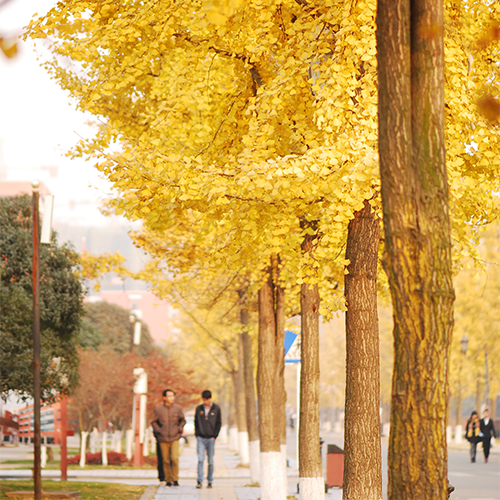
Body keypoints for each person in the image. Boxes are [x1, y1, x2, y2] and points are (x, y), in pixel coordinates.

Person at [151, 389, 186, 487]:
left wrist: (179, 429)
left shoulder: (177, 408)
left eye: (173, 396)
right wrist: (159, 430)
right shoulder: (159, 409)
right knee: (165, 460)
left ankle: (175, 478)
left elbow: (182, 420)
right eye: (170, 396)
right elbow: (153, 421)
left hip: (175, 437)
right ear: (164, 398)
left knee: (174, 458)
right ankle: (168, 479)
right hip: (163, 437)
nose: (172, 398)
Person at [194, 390, 222, 489]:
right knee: (200, 460)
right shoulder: (199, 408)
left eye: (207, 399)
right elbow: (196, 422)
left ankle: (210, 481)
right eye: (204, 400)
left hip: (211, 438)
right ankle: (199, 481)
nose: (206, 401)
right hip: (201, 438)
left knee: (210, 461)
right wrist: (197, 434)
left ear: (210, 398)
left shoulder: (216, 408)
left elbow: (219, 423)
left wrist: (214, 436)